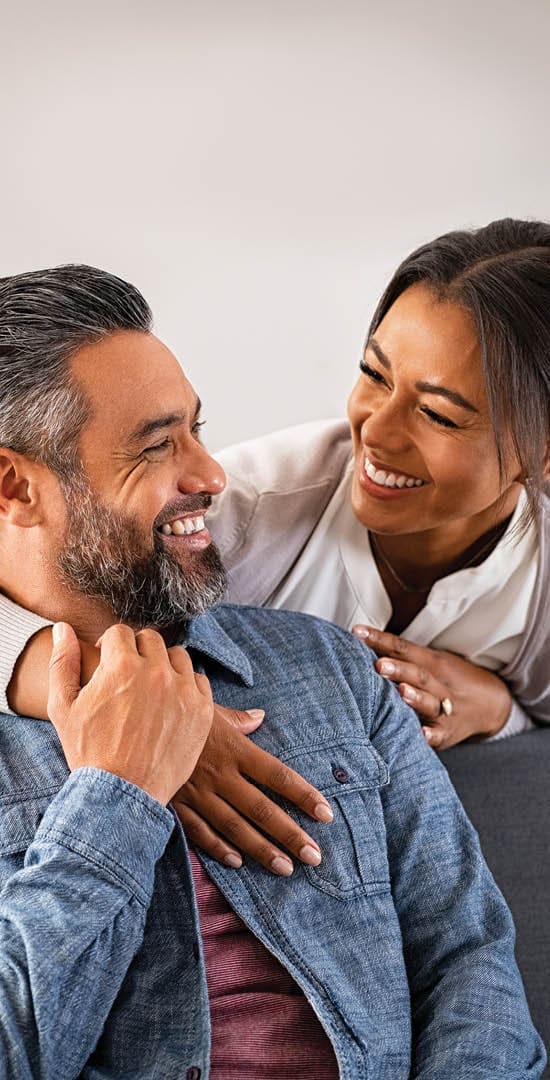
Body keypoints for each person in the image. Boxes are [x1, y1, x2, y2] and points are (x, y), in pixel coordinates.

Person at [0, 264, 544, 1078]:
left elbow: (470, 961)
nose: (212, 475)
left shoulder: (332, 669)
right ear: (15, 484)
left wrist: (500, 705)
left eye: (197, 429)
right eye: (158, 445)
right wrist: (121, 789)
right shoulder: (269, 503)